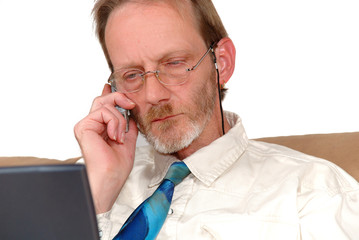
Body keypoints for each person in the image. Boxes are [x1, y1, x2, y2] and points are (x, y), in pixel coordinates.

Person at [74, 0, 359, 239]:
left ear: (221, 62)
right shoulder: (88, 181)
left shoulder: (315, 192)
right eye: (132, 75)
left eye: (174, 64)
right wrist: (96, 199)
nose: (153, 95)